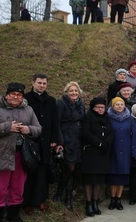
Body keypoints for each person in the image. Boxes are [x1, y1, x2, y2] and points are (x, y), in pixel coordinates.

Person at [0, 82, 42, 222]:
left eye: (19, 95)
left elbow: (38, 128)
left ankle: (14, 215)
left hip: (21, 155)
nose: (16, 97)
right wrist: (7, 127)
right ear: (7, 95)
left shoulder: (28, 109)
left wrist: (28, 129)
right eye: (13, 94)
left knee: (18, 187)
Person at [23, 74, 59, 215]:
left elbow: (54, 121)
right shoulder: (26, 99)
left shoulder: (51, 100)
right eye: (39, 83)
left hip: (46, 141)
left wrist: (55, 139)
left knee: (42, 172)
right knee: (30, 172)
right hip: (30, 141)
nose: (42, 85)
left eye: (44, 83)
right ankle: (27, 202)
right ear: (32, 83)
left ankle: (40, 200)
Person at [53, 81, 85, 211]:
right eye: (71, 91)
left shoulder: (80, 104)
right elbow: (57, 123)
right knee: (69, 168)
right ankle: (60, 194)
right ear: (67, 92)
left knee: (75, 168)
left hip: (78, 139)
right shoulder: (61, 103)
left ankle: (68, 198)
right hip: (67, 139)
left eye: (76, 91)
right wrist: (59, 142)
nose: (74, 93)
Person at [81, 97, 113, 217]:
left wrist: (106, 143)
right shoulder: (88, 117)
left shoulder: (106, 118)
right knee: (89, 179)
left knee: (99, 179)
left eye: (102, 107)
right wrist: (98, 143)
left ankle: (95, 203)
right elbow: (85, 133)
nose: (100, 109)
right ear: (93, 107)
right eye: (98, 107)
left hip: (102, 153)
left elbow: (111, 132)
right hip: (90, 152)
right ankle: (88, 203)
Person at [107, 97, 136, 210]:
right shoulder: (108, 117)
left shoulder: (129, 118)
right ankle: (112, 198)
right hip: (113, 151)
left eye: (122, 104)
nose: (120, 106)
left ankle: (118, 199)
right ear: (113, 106)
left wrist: (134, 151)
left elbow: (133, 135)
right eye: (117, 105)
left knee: (122, 177)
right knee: (113, 176)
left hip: (125, 150)